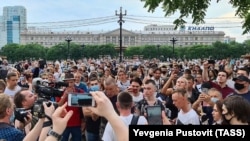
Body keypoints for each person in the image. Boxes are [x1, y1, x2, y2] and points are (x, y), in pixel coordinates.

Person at [57, 73, 84, 141]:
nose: (69, 84)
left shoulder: (80, 91)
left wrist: (84, 121)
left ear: (74, 82)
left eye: (71, 82)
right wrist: (65, 95)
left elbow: (84, 107)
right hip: (64, 123)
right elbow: (58, 105)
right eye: (67, 82)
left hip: (76, 123)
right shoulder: (60, 92)